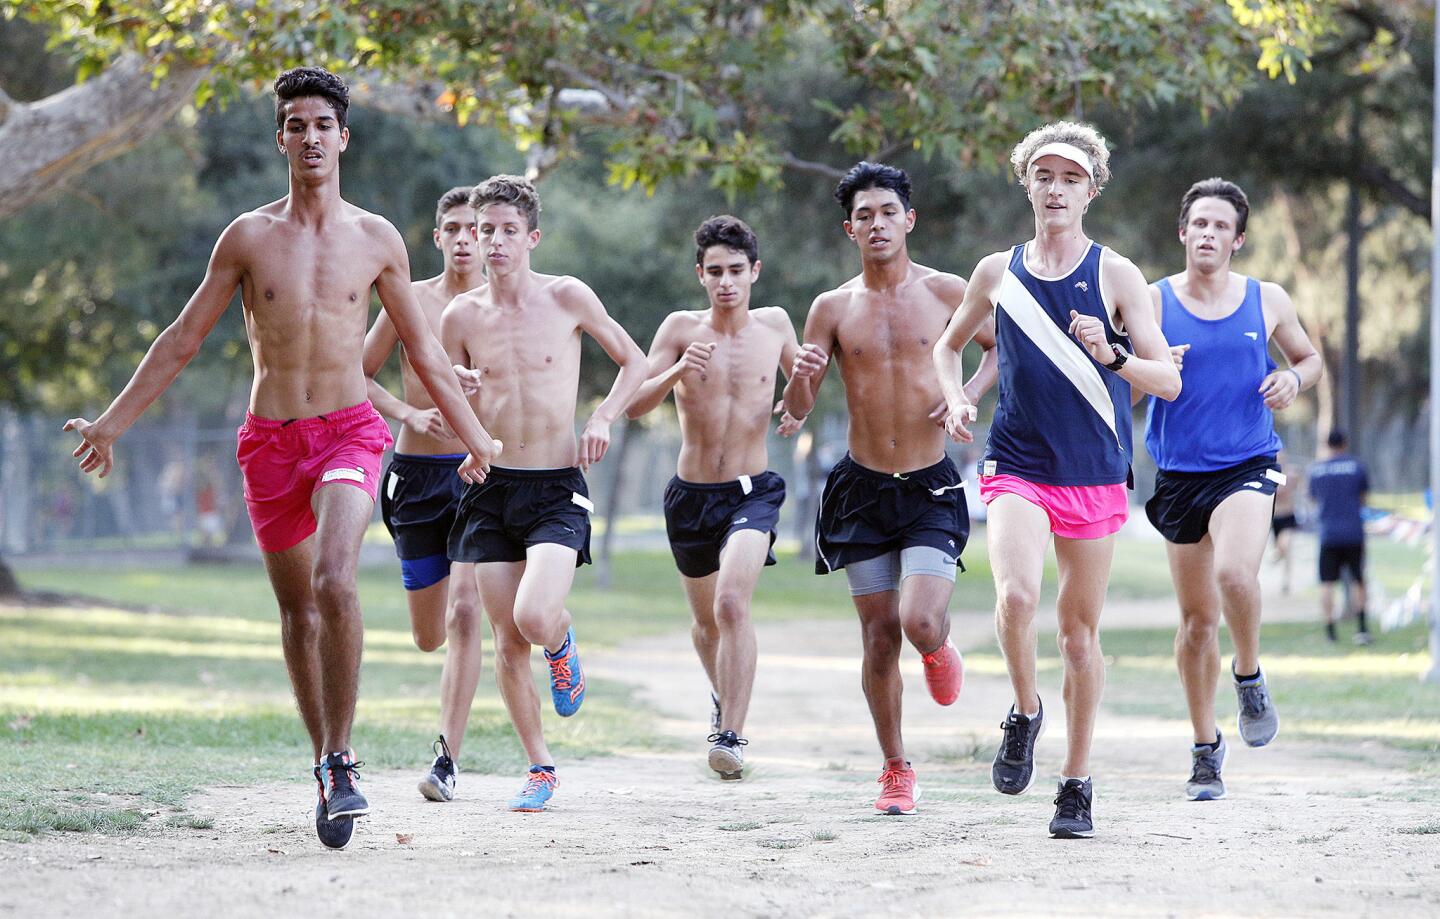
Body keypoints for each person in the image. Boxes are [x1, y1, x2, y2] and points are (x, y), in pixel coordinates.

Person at [63, 67, 503, 850]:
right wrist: (112, 422)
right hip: (269, 441)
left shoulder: (376, 240)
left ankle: (343, 758)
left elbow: (426, 352)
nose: (309, 137)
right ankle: (325, 761)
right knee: (298, 612)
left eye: (322, 125)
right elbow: (182, 339)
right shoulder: (248, 237)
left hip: (347, 430)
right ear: (281, 138)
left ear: (343, 137)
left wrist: (479, 440)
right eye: (295, 124)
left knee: (337, 578)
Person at [933, 122, 1181, 838]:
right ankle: (1025, 708)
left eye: (1071, 178)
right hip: (1018, 460)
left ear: (1091, 190)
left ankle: (1076, 782)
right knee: (1015, 597)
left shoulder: (1117, 275)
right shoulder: (996, 271)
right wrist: (956, 397)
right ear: (1028, 184)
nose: (1055, 188)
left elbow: (1165, 378)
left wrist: (1113, 355)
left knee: (1078, 638)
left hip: (1095, 469)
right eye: (1044, 175)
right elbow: (949, 349)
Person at [783, 161, 996, 817]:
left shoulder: (947, 291)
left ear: (910, 219)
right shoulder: (831, 307)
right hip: (861, 490)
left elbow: (999, 350)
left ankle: (938, 646)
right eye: (864, 216)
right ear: (850, 228)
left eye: (888, 212)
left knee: (918, 620)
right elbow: (795, 408)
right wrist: (802, 374)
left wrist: (965, 396)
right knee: (879, 638)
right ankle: (895, 767)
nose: (877, 224)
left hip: (930, 482)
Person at [442, 175, 647, 812]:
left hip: (558, 486)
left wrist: (603, 417)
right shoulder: (460, 316)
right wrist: (469, 425)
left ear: (532, 237)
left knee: (534, 619)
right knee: (506, 640)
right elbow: (447, 398)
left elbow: (633, 361)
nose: (494, 241)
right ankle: (541, 767)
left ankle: (561, 642)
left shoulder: (567, 297)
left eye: (507, 230)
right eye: (485, 230)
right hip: (492, 488)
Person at [1140, 177, 1322, 801]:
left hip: (1248, 460)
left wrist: (1295, 382)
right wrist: (1159, 366)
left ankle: (1248, 673)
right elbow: (1122, 386)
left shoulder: (1266, 298)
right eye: (1200, 224)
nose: (1209, 234)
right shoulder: (1152, 302)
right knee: (1195, 625)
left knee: (1237, 577)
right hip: (1179, 474)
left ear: (1238, 239)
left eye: (1222, 225)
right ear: (1183, 232)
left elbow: (1309, 358)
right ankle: (1204, 748)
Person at [626, 215, 804, 779]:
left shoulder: (775, 324)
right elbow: (635, 404)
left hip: (753, 490)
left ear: (755, 272)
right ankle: (722, 698)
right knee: (706, 623)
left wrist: (798, 401)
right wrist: (678, 366)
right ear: (699, 275)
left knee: (732, 603)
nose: (726, 282)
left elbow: (800, 395)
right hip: (690, 495)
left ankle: (731, 734)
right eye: (715, 272)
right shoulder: (680, 327)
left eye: (736, 271)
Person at [362, 187, 488, 803]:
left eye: (475, 227)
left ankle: (446, 759)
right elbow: (356, 375)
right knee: (429, 635)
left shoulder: (506, 309)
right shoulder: (407, 300)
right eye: (453, 228)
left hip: (481, 478)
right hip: (415, 480)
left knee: (468, 611)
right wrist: (408, 413)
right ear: (437, 237)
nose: (465, 238)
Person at [1309, 429, 1373, 645]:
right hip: (1354, 532)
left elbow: (1313, 498)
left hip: (1328, 534)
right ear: (1345, 443)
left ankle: (1330, 632)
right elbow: (1363, 497)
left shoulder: (1317, 470)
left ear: (1327, 445)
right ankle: (1362, 629)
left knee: (1327, 584)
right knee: (1358, 580)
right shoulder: (1357, 466)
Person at [1271, 450, 1301, 595]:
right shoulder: (1271, 474)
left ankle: (1286, 581)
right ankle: (1278, 556)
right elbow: (1280, 490)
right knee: (1282, 550)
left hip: (1288, 516)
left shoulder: (1290, 473)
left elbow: (1290, 486)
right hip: (1275, 518)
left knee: (1286, 546)